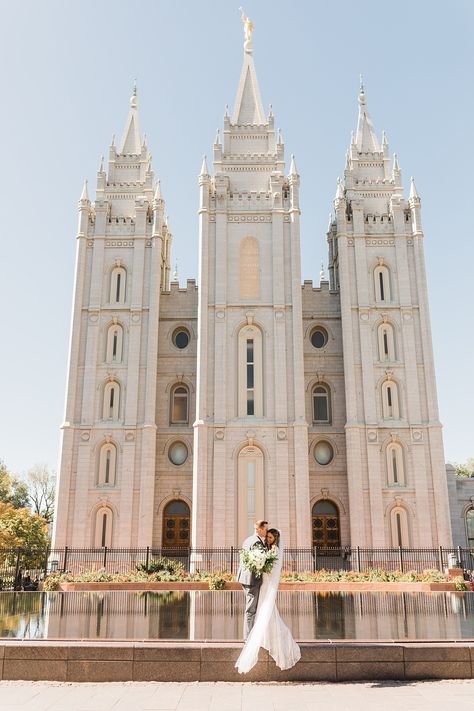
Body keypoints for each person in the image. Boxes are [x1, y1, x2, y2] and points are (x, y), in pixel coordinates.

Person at [236, 527, 301, 673]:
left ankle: (266, 635)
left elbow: (271, 570)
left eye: (270, 537)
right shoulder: (269, 549)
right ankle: (264, 634)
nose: (268, 539)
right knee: (261, 610)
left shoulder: (275, 550)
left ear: (276, 539)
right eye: (267, 537)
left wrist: (260, 564)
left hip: (266, 585)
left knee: (265, 610)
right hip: (263, 584)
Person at [236, 520, 268, 639]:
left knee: (251, 607)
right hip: (252, 580)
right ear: (259, 530)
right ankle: (248, 637)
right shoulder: (256, 543)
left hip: (244, 577)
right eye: (265, 529)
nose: (266, 531)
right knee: (251, 609)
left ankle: (251, 634)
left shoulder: (248, 540)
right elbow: (258, 562)